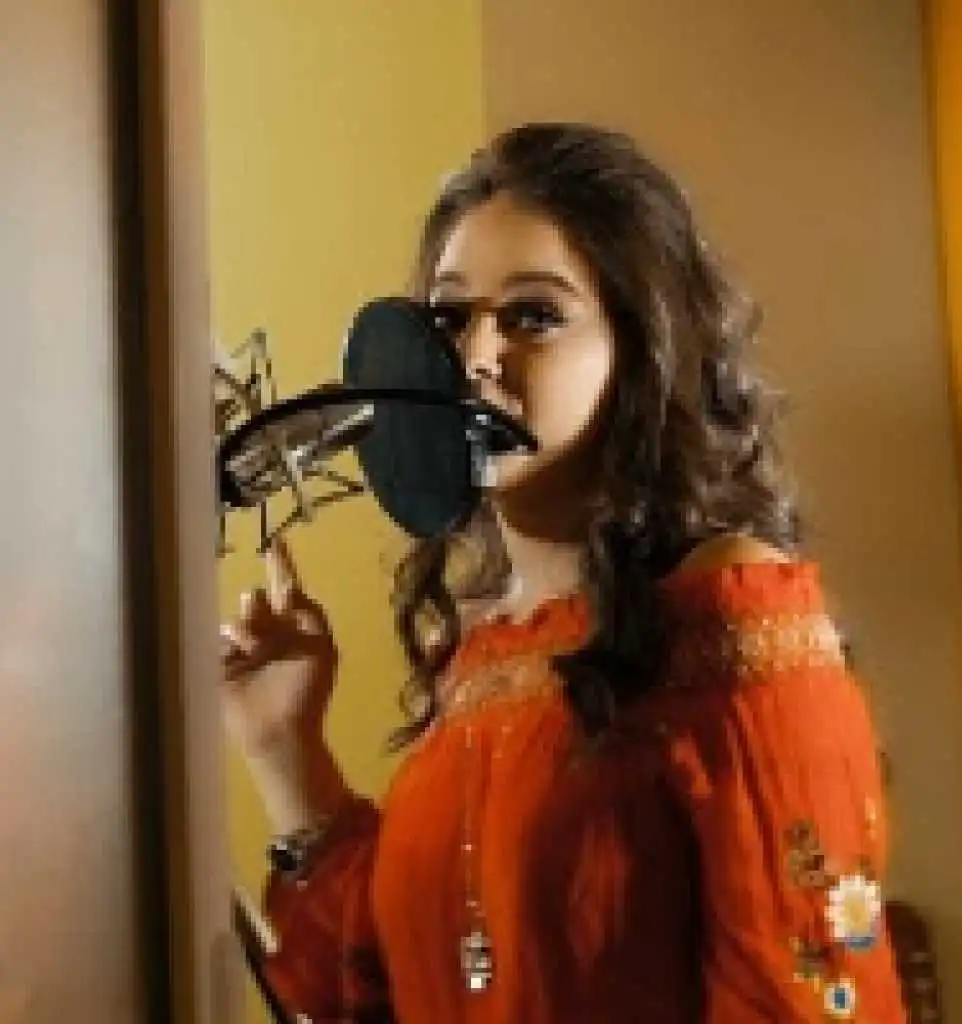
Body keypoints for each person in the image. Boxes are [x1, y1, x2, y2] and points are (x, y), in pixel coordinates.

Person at [220, 122, 906, 1023]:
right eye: (447, 319)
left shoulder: (730, 614)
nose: (474, 358)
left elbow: (800, 995)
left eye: (533, 316)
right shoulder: (478, 647)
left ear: (641, 349)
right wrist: (287, 749)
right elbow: (389, 985)